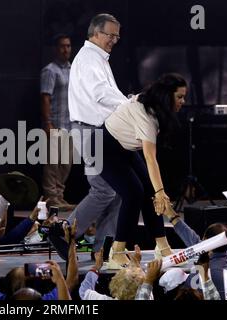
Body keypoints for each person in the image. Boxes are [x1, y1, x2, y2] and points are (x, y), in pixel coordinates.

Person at [98, 73, 187, 268]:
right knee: (133, 193)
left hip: (124, 148)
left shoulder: (155, 108)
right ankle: (117, 252)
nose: (183, 101)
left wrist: (158, 193)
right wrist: (161, 192)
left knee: (149, 192)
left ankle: (162, 247)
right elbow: (150, 157)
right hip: (103, 150)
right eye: (179, 97)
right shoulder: (147, 115)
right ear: (166, 96)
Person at [66, 13, 128, 259]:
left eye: (117, 36)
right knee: (104, 190)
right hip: (89, 131)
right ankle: (64, 231)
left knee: (116, 190)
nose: (114, 40)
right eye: (110, 35)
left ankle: (100, 249)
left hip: (97, 131)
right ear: (95, 33)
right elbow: (101, 94)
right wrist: (129, 105)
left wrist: (128, 102)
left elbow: (108, 92)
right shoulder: (90, 58)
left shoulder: (98, 58)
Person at [40, 34, 75, 211]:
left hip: (69, 124)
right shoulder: (50, 70)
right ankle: (50, 198)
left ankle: (59, 196)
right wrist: (47, 123)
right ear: (56, 48)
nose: (65, 49)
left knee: (65, 163)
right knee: (52, 163)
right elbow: (45, 98)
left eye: (68, 46)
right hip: (55, 123)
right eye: (62, 46)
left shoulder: (73, 69)